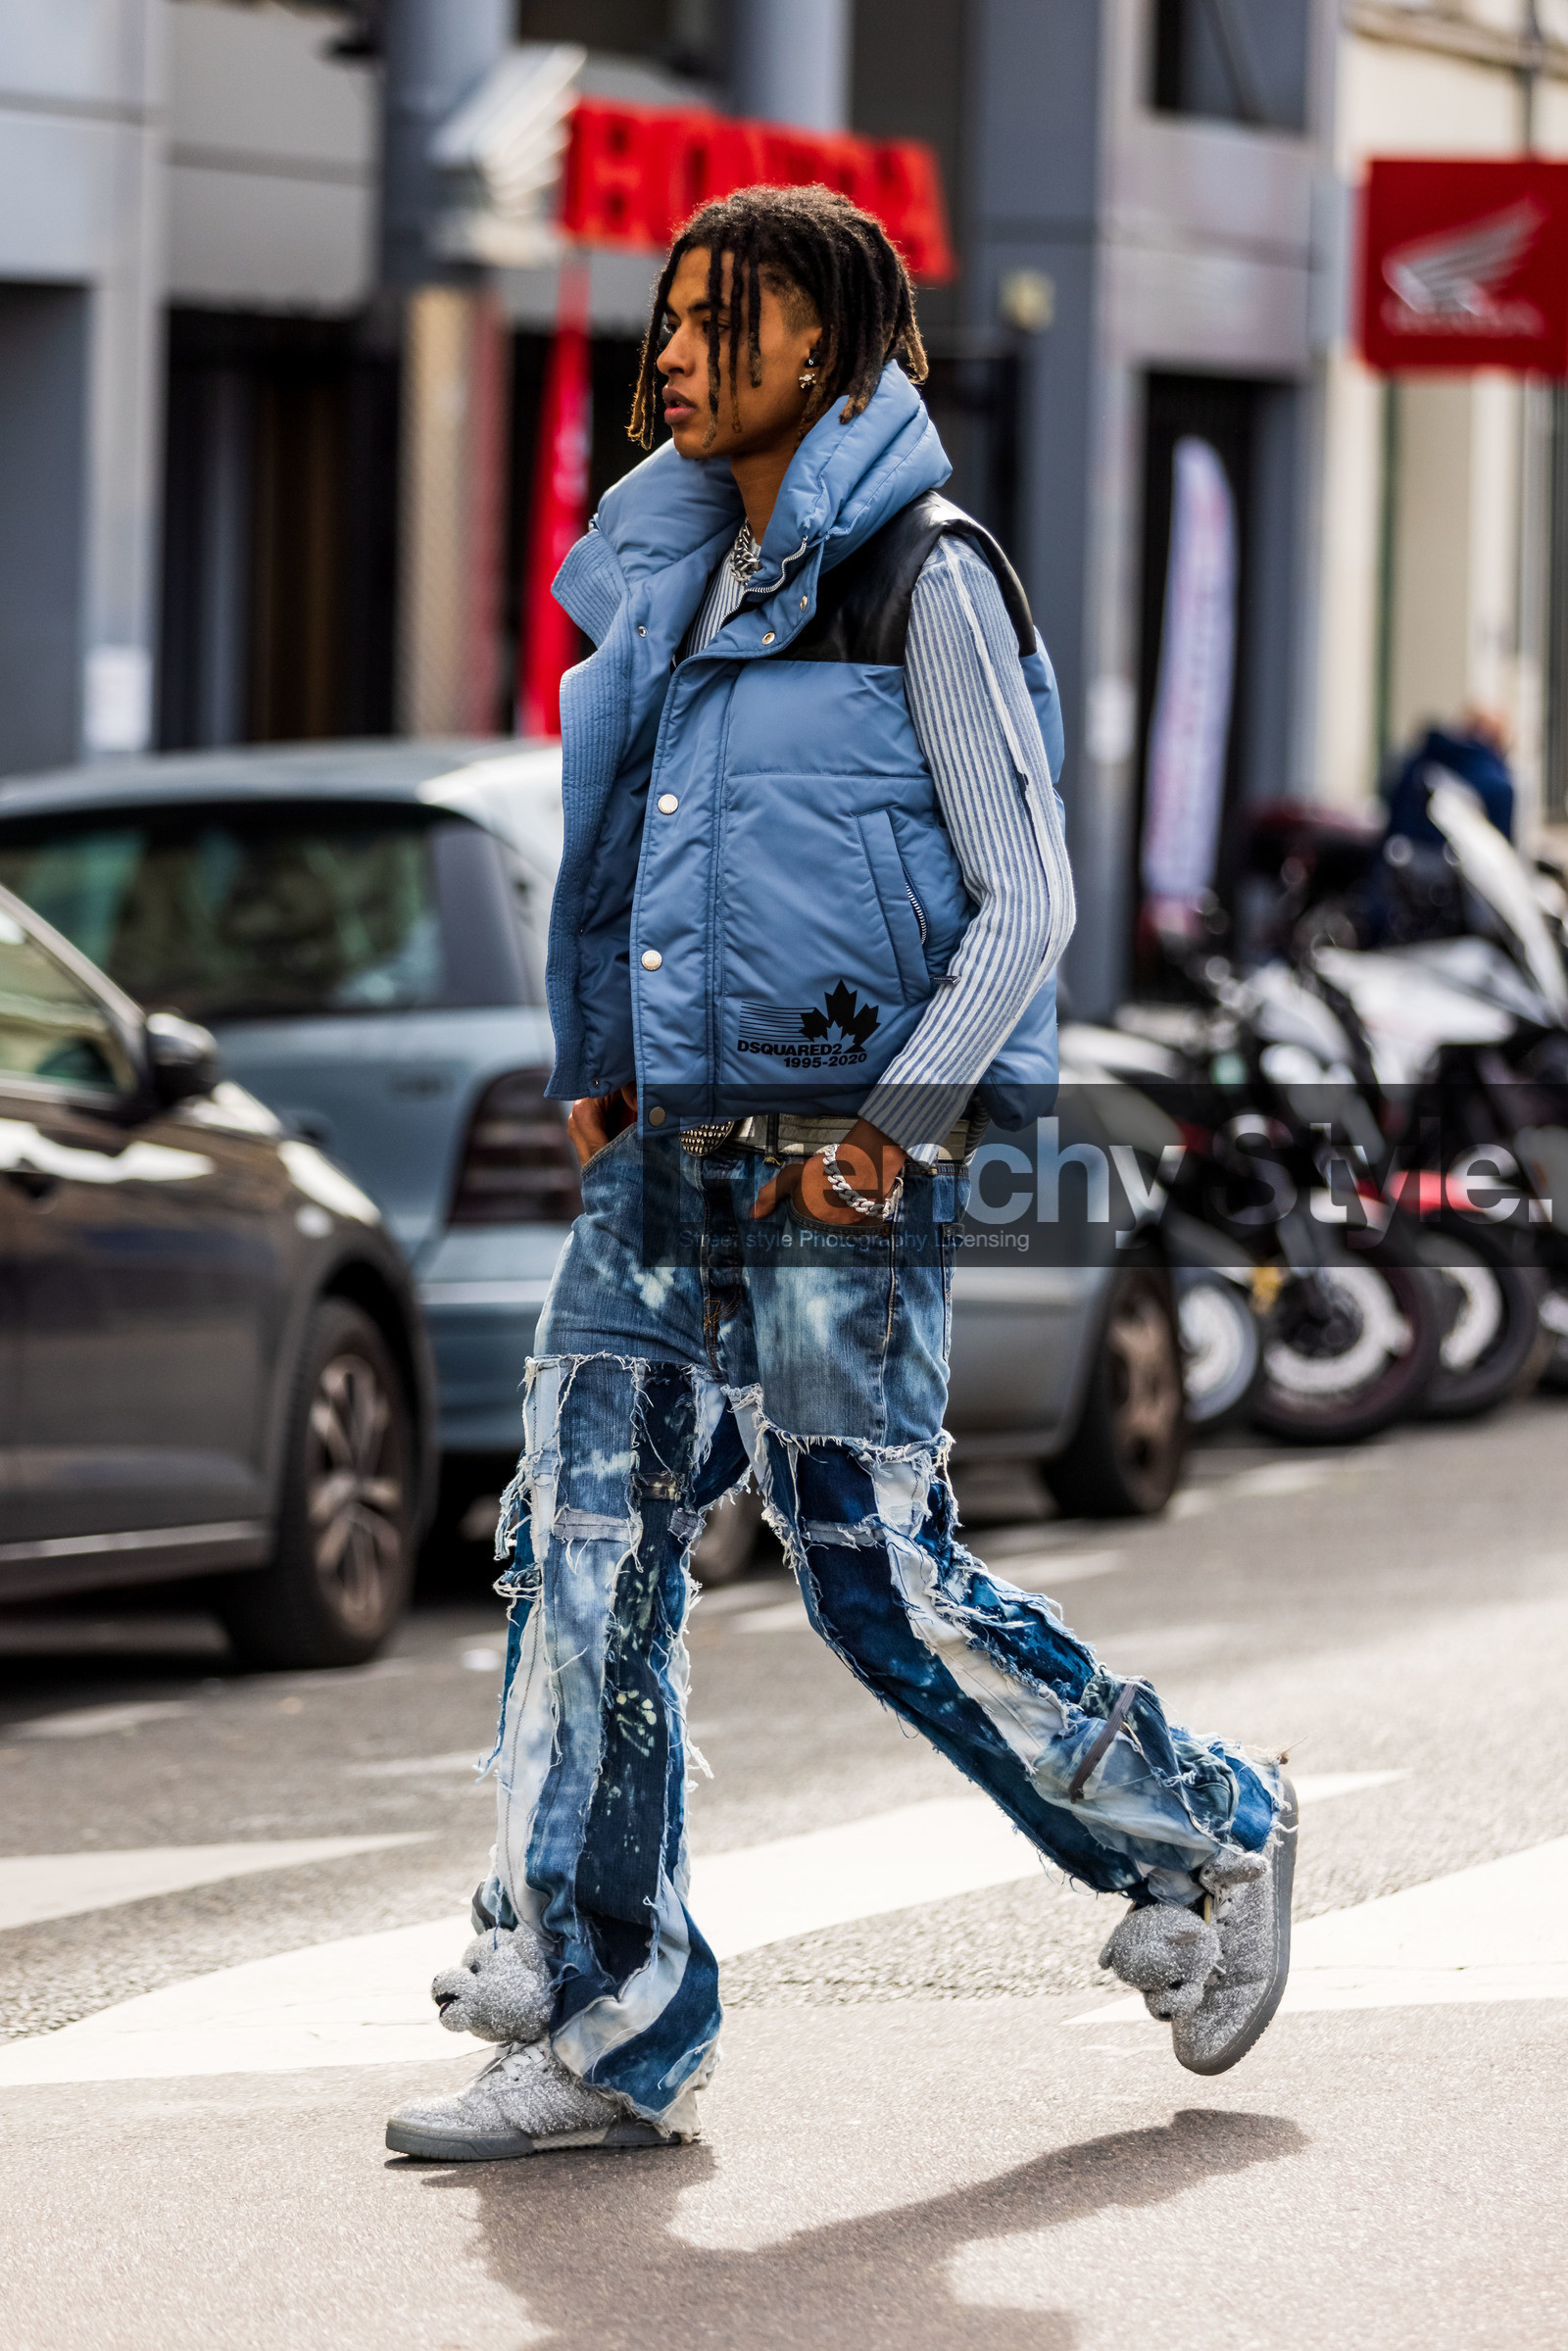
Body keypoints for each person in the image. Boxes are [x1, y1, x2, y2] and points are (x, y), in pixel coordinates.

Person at [386, 185, 1294, 2164]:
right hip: (663, 1161)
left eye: (724, 319)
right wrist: (593, 1075)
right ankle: (607, 2008)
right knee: (582, 1543)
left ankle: (1205, 1829)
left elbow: (1024, 895)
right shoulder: (668, 579)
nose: (677, 354)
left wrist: (888, 1137)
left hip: (840, 1157)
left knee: (872, 1578)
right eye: (668, 319)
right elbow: (632, 873)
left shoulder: (924, 575)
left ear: (834, 348)